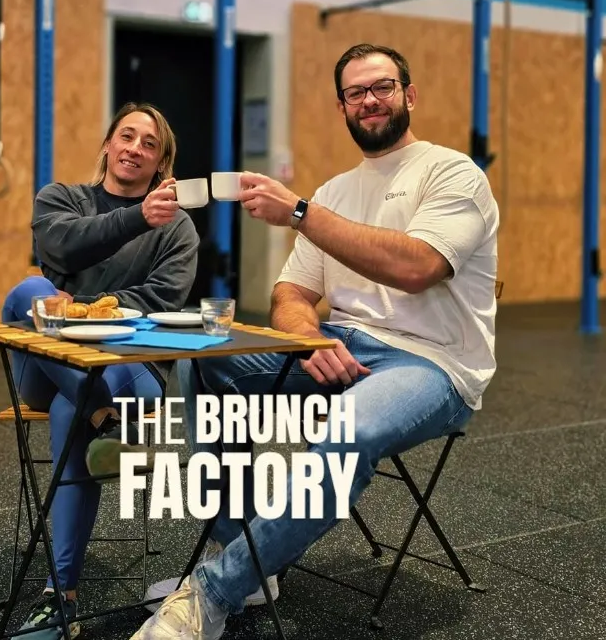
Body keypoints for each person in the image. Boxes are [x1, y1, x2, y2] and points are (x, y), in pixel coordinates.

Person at [133, 44, 499, 640]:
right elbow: (291, 294)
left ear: (410, 94)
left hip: (433, 363)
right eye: (356, 93)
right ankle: (247, 561)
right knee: (201, 364)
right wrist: (306, 340)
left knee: (348, 428)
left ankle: (212, 593)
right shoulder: (334, 192)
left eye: (382, 86)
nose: (370, 100)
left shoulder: (453, 173)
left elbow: (418, 266)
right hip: (341, 345)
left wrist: (299, 210)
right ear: (342, 107)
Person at [3, 102, 200, 640]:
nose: (136, 148)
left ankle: (58, 597)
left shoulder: (178, 228)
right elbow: (61, 244)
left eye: (150, 143)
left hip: (127, 367)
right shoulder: (61, 198)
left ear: (162, 163)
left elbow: (161, 298)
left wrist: (86, 305)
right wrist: (136, 218)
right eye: (127, 136)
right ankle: (109, 425)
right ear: (108, 146)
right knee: (28, 291)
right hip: (50, 365)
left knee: (75, 409)